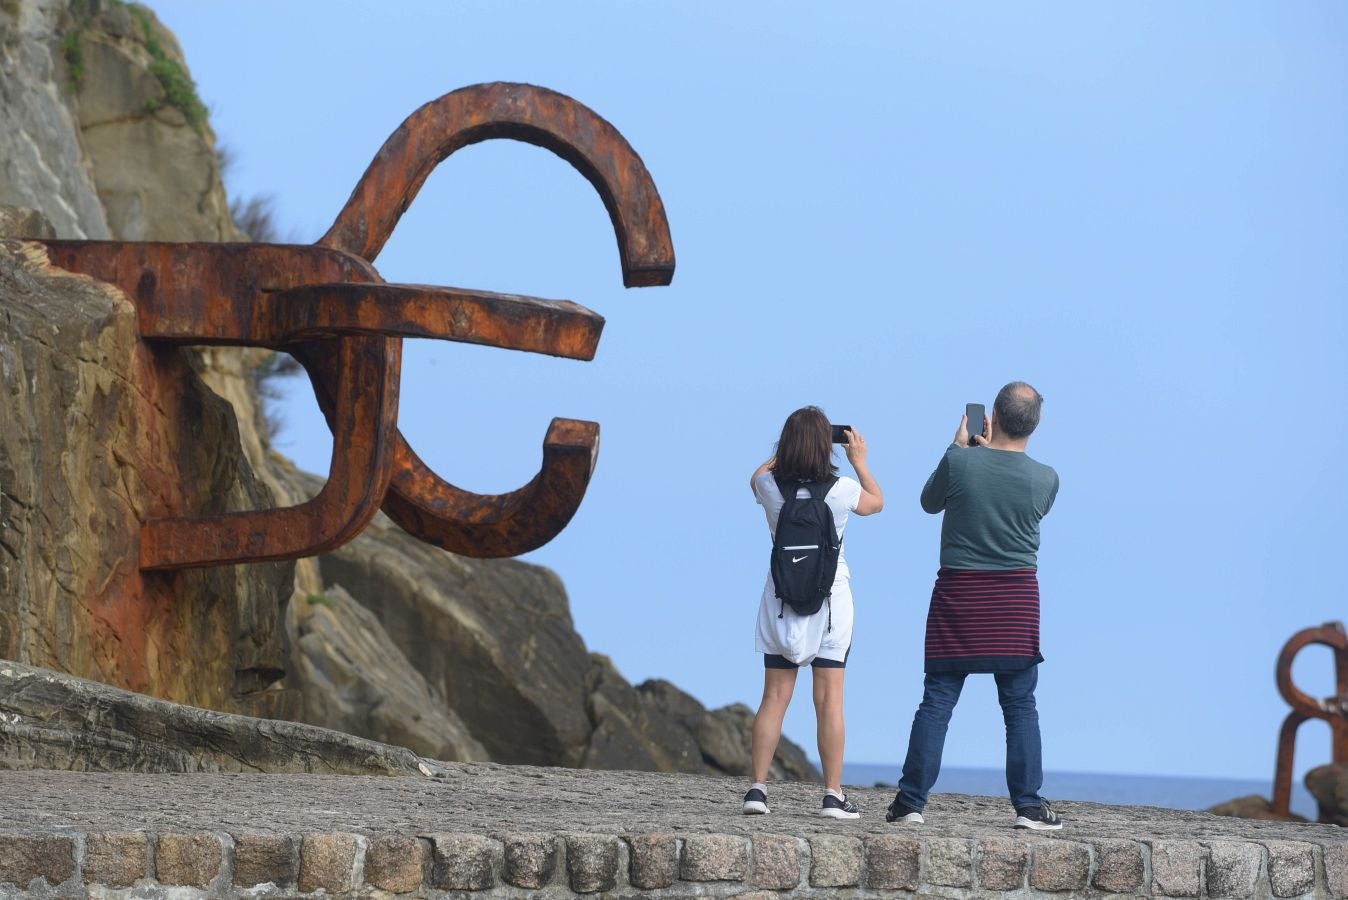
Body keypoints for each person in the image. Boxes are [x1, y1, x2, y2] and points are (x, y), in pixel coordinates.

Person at [886, 382, 1063, 830]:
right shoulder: (1046, 478)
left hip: (959, 597)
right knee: (1020, 706)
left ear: (993, 418)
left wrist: (958, 448)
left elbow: (930, 503)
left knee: (938, 701)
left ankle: (910, 804)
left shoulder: (959, 461)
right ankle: (1028, 806)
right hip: (1015, 601)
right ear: (1035, 425)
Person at [742, 406, 883, 819]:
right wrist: (859, 461)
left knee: (774, 697)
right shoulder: (840, 489)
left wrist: (782, 453)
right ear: (826, 446)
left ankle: (757, 790)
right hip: (831, 603)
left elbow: (755, 476)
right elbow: (876, 503)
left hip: (781, 600)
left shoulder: (769, 486)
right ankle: (832, 795)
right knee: (828, 701)